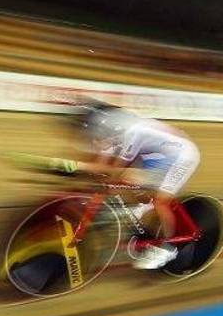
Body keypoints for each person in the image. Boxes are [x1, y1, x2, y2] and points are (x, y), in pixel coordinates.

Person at [70, 98, 201, 269]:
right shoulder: (114, 133)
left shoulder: (133, 132)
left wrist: (92, 174)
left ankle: (168, 248)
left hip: (183, 156)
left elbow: (115, 169)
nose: (94, 140)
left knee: (160, 200)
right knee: (130, 182)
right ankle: (143, 206)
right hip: (156, 155)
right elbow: (100, 162)